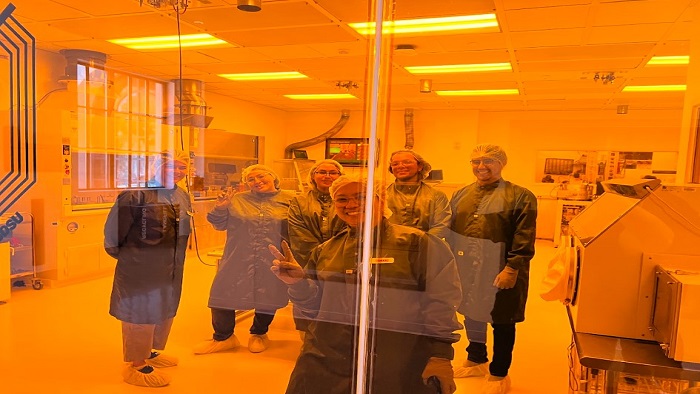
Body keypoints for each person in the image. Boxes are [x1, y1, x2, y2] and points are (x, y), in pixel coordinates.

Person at [269, 174, 463, 394]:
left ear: (381, 201)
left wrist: (440, 354)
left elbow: (442, 302)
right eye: (342, 199)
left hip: (397, 357)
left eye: (361, 197)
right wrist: (298, 283)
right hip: (327, 358)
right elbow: (314, 309)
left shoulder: (417, 244)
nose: (351, 205)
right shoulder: (326, 251)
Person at [448, 144, 537, 394]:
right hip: (466, 267)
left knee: (502, 319)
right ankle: (476, 358)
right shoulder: (461, 194)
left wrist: (513, 267)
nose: (481, 166)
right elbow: (452, 232)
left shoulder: (520, 195)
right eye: (475, 161)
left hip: (501, 268)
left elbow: (524, 234)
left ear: (501, 163)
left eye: (488, 161)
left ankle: (499, 372)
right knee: (472, 313)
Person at [104, 150, 193, 387]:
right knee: (141, 313)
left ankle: (151, 351)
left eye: (182, 167)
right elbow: (113, 235)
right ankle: (137, 364)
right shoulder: (135, 195)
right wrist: (133, 260)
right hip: (140, 268)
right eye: (170, 166)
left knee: (165, 308)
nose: (177, 172)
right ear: (155, 167)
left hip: (172, 266)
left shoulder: (182, 195)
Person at [194, 164, 294, 355]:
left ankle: (259, 334)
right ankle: (223, 337)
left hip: (271, 258)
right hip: (237, 256)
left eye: (261, 176)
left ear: (273, 177)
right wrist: (220, 209)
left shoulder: (291, 200)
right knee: (222, 293)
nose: (257, 181)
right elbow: (219, 225)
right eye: (250, 179)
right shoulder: (237, 200)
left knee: (268, 295)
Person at [287, 159, 347, 338]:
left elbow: (350, 231)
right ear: (313, 176)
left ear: (340, 176)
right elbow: (298, 234)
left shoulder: (346, 199)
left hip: (341, 264)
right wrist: (319, 259)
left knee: (339, 307)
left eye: (333, 172)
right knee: (307, 300)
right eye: (322, 172)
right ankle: (307, 343)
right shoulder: (299, 201)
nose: (327, 176)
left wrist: (336, 258)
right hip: (308, 262)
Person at [386, 150, 451, 240]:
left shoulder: (436, 195)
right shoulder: (382, 195)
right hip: (389, 249)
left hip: (425, 249)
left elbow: (441, 226)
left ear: (420, 166)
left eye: (406, 162)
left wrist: (421, 243)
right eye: (395, 164)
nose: (400, 166)